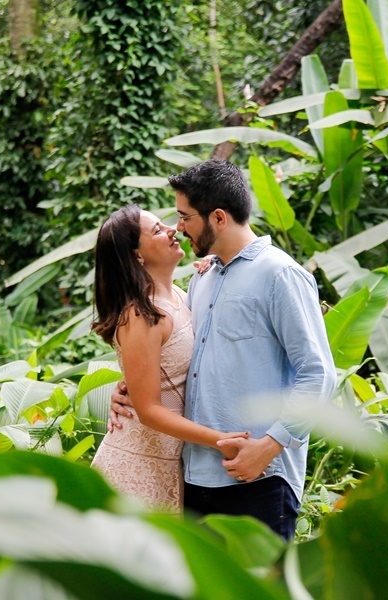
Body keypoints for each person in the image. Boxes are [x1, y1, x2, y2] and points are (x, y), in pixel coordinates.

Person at [110, 159, 336, 539]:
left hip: (259, 476)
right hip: (194, 476)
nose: (178, 228)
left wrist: (269, 445)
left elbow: (319, 375)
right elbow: (176, 357)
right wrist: (126, 388)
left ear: (217, 217)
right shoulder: (203, 278)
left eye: (185, 217)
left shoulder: (280, 274)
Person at [89, 205, 248, 511]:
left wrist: (212, 269)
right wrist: (221, 440)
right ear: (137, 255)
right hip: (135, 469)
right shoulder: (140, 314)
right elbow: (148, 409)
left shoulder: (179, 294)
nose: (173, 229)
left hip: (170, 463)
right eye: (158, 230)